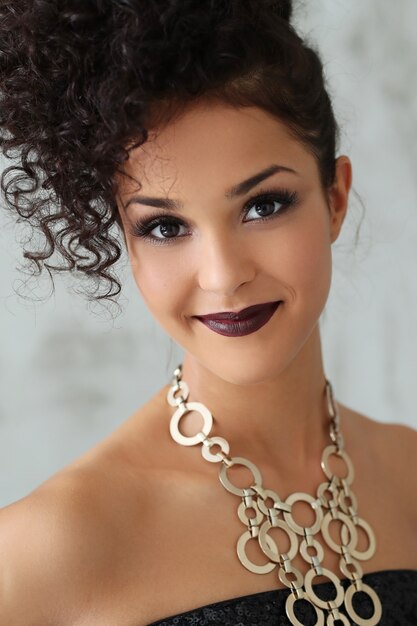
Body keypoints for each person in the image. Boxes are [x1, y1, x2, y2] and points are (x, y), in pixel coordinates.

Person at [0, 1, 416, 625]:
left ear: (335, 198)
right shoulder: (49, 548)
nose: (224, 276)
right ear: (126, 243)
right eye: (166, 227)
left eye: (263, 205)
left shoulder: (410, 475)